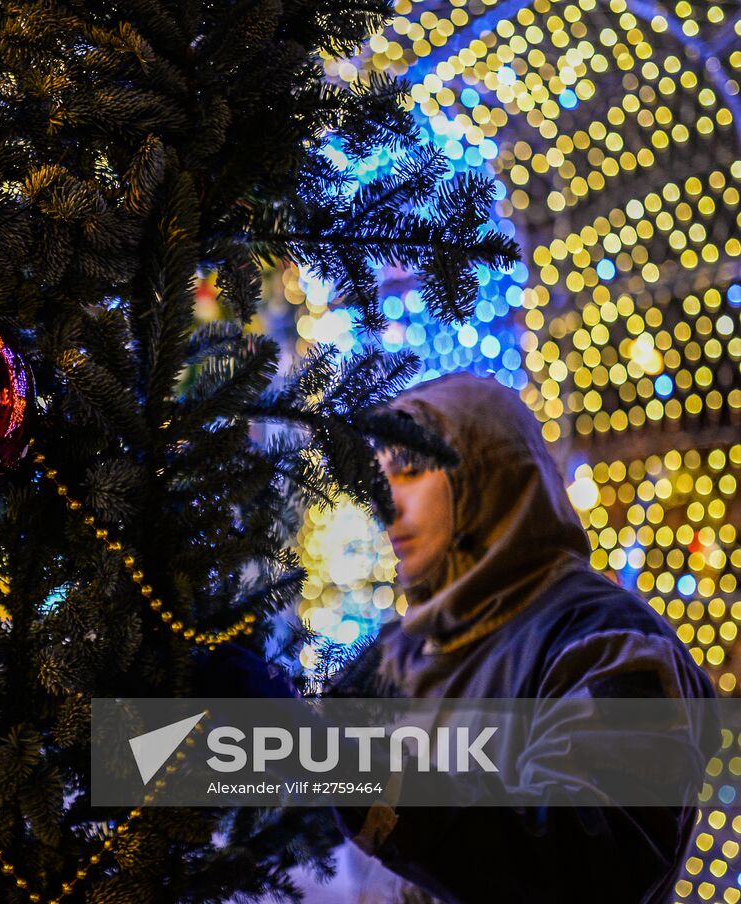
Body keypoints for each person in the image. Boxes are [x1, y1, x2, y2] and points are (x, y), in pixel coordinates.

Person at [303, 372, 716, 903]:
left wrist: (382, 785)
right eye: (380, 481)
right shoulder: (398, 650)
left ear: (486, 472)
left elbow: (595, 862)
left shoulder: (607, 639)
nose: (388, 505)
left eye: (409, 472)